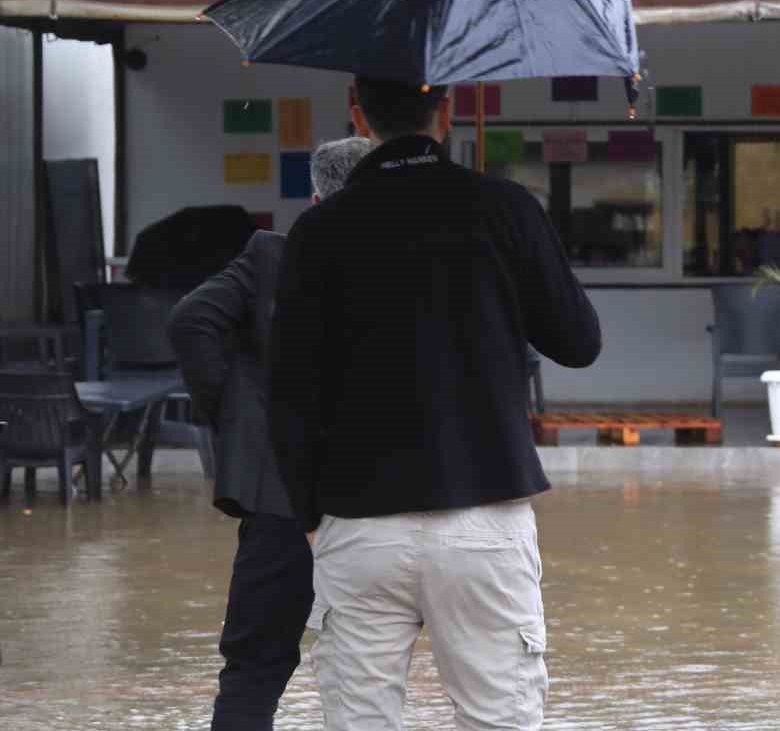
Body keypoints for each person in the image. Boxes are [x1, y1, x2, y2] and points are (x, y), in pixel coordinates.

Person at [269, 77, 602, 731]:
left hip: (358, 524)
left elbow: (288, 394)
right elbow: (579, 343)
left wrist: (314, 519)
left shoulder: (318, 231)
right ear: (446, 110)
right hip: (486, 515)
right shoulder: (504, 209)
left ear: (358, 113)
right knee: (498, 720)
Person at [168, 136, 371, 731]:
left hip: (280, 495)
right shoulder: (403, 265)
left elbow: (191, 320)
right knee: (370, 670)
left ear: (314, 199)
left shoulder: (269, 255)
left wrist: (234, 414)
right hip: (377, 504)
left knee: (253, 667)